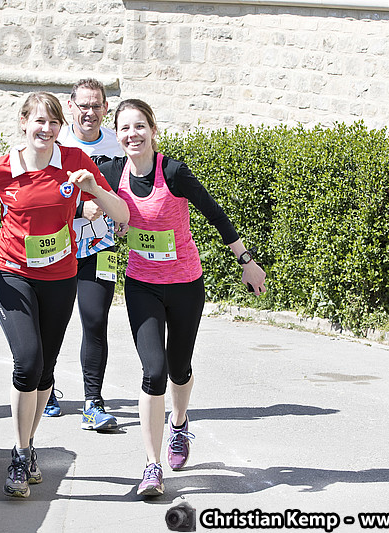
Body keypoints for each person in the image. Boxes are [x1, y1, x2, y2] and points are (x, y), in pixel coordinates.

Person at [0, 92, 129, 498]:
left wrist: (94, 188)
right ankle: (19, 454)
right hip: (10, 273)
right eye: (39, 121)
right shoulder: (2, 168)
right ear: (23, 123)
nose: (46, 129)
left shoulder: (74, 161)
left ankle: (29, 444)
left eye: (53, 122)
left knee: (45, 371)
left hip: (59, 276)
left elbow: (121, 214)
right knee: (28, 362)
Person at [97, 99, 267, 497]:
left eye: (140, 126)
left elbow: (214, 213)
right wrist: (94, 211)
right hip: (141, 284)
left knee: (179, 368)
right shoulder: (111, 172)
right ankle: (151, 466)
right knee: (153, 372)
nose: (133, 134)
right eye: (125, 128)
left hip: (185, 283)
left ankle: (178, 422)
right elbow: (75, 192)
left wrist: (247, 261)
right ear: (116, 135)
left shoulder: (172, 172)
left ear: (153, 130)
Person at [44, 78, 125, 430]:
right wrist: (79, 210)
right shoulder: (55, 142)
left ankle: (93, 402)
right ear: (71, 107)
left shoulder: (117, 143)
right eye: (83, 106)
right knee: (51, 323)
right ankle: (44, 389)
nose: (90, 112)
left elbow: (129, 185)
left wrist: (125, 216)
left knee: (95, 321)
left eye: (96, 106)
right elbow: (40, 196)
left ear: (106, 108)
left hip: (100, 246)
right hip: (56, 248)